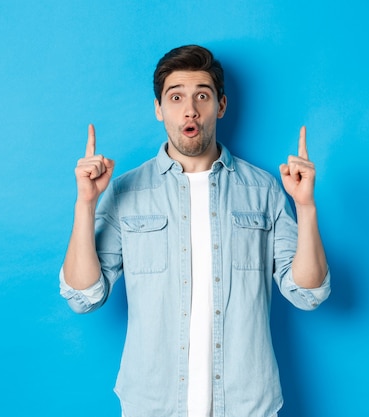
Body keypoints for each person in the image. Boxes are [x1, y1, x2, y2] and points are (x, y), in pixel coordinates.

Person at [59, 45, 331, 417]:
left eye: (202, 95)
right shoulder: (125, 192)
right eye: (176, 97)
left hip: (246, 405)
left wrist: (305, 206)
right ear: (159, 109)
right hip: (152, 406)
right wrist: (85, 204)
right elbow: (83, 296)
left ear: (220, 106)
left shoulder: (264, 190)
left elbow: (308, 293)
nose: (190, 109)